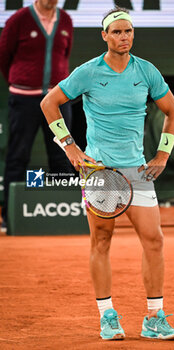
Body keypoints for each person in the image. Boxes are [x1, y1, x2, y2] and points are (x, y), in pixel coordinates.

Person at [41, 6, 174, 341]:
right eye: (117, 32)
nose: (124, 37)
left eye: (128, 31)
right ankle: (107, 316)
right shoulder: (88, 72)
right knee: (101, 241)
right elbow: (49, 103)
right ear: (104, 36)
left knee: (155, 240)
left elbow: (173, 112)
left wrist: (163, 153)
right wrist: (70, 148)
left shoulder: (146, 71)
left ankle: (154, 318)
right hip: (100, 173)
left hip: (138, 171)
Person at [0, 0, 73, 232]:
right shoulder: (18, 20)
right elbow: (4, 56)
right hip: (24, 98)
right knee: (17, 155)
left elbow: (65, 54)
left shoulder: (66, 20)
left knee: (63, 155)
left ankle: (64, 212)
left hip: (58, 101)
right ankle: (9, 216)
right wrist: (19, 79)